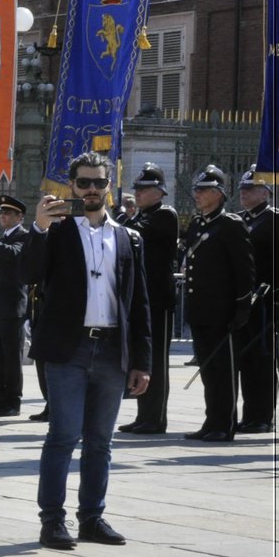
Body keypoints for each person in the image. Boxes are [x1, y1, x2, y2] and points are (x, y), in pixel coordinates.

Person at [25, 151, 152, 549]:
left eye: (99, 182)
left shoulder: (127, 236)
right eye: (84, 183)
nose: (92, 190)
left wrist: (142, 361)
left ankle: (92, 518)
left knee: (101, 440)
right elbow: (27, 274)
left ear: (110, 186)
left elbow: (139, 302)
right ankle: (52, 521)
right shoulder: (58, 231)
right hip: (69, 349)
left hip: (113, 349)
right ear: (72, 185)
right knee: (63, 435)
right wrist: (39, 229)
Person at [179, 165, 255, 442]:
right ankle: (211, 422)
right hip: (200, 310)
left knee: (223, 371)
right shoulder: (199, 224)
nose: (197, 195)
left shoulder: (231, 225)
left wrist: (241, 307)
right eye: (197, 190)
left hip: (223, 312)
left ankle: (225, 425)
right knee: (209, 372)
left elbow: (243, 270)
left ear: (218, 194)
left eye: (203, 190)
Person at [119, 165, 180, 434]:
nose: (138, 193)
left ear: (158, 191)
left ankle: (156, 418)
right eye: (138, 189)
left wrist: (122, 217)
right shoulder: (142, 216)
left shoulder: (165, 215)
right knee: (141, 359)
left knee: (156, 361)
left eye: (143, 189)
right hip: (142, 298)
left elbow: (135, 231)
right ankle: (144, 414)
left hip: (158, 298)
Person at [236, 167, 279, 434]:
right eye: (242, 190)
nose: (243, 194)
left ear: (264, 192)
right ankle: (250, 413)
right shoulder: (242, 219)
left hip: (267, 301)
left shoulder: (276, 220)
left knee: (263, 360)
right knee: (246, 361)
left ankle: (263, 415)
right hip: (246, 301)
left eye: (249, 190)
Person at [0, 195, 30, 417]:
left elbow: (13, 255)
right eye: (2, 213)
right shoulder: (1, 237)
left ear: (19, 217)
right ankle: (1, 396)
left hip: (12, 307)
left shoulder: (23, 236)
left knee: (11, 358)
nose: (3, 217)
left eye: (8, 213)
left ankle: (13, 400)